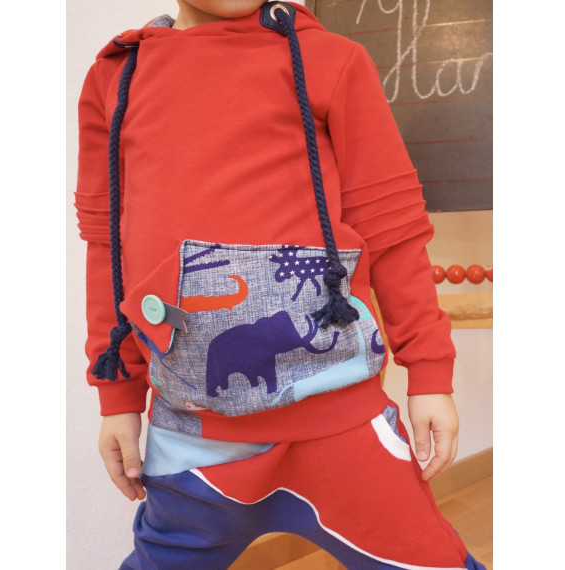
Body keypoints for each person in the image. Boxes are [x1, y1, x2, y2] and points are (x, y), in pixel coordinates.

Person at [75, 1, 487, 568]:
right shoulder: (115, 78)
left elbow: (392, 230)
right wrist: (117, 395)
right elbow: (108, 250)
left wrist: (430, 373)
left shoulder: (332, 60)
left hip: (344, 428)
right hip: (191, 440)